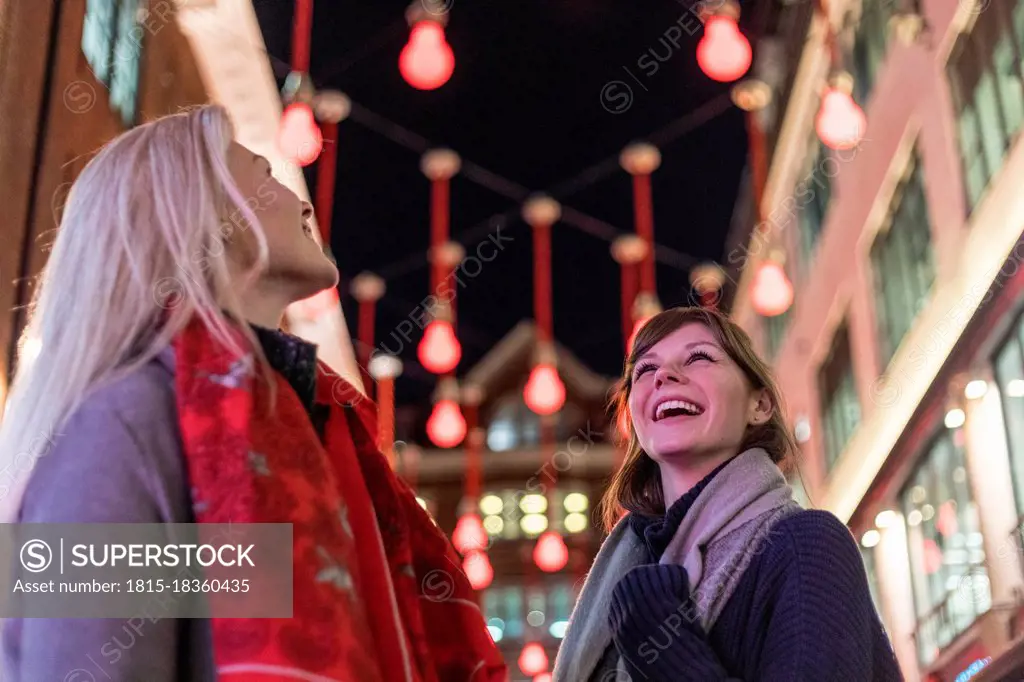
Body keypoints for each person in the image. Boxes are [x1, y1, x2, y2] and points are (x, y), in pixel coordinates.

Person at [0, 105, 506, 682]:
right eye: (266, 177)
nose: (305, 204)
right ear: (198, 211)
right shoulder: (120, 422)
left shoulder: (302, 431)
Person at [553, 306, 902, 682]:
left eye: (699, 357)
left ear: (760, 404)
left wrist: (662, 643)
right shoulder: (625, 577)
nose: (663, 376)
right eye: (645, 370)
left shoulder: (806, 544)